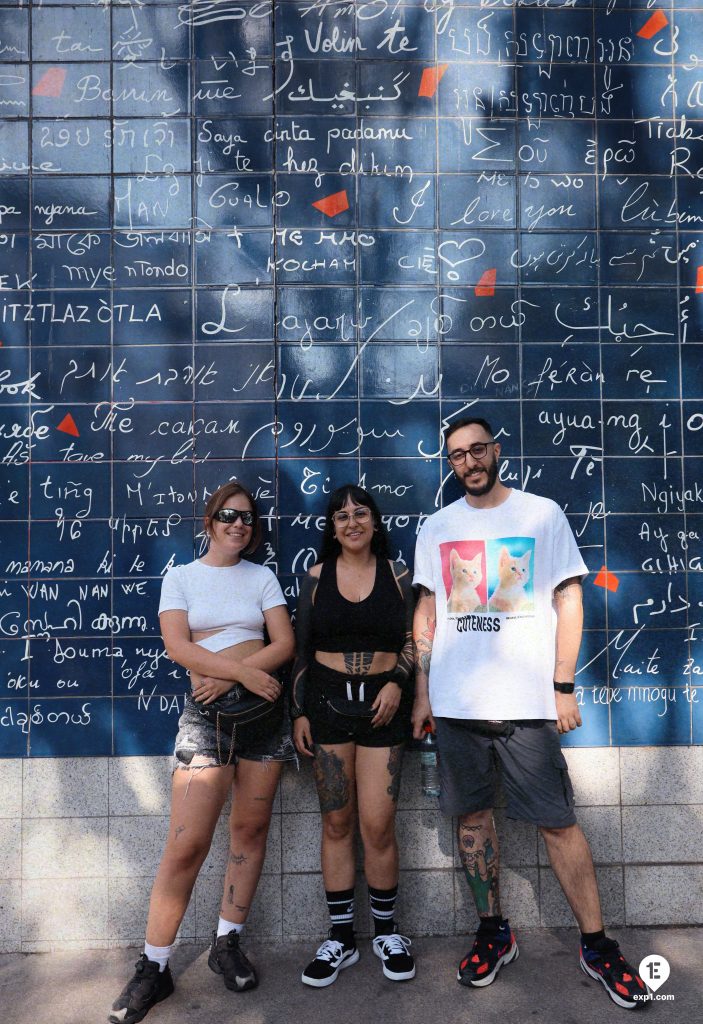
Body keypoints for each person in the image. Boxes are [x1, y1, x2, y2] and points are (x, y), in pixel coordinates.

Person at [411, 417, 649, 1010]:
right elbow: (427, 613)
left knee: (558, 823)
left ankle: (597, 945)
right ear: (450, 464)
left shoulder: (541, 515)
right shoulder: (436, 528)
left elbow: (570, 598)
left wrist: (563, 684)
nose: (468, 461)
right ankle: (494, 933)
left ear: (497, 450)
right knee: (471, 821)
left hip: (528, 707)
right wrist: (422, 693)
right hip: (456, 706)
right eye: (456, 455)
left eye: (477, 449)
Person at [109, 482, 295, 1024]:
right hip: (209, 721)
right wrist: (239, 670)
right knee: (186, 845)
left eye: (248, 519)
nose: (240, 525)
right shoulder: (181, 577)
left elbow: (284, 643)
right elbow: (177, 646)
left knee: (250, 833)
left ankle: (227, 943)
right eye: (229, 516)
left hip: (264, 719)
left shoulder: (262, 577)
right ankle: (155, 966)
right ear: (210, 521)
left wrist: (239, 671)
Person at [291, 484, 416, 987]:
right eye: (341, 516)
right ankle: (341, 937)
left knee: (378, 825)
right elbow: (300, 650)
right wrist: (298, 712)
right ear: (332, 527)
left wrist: (398, 681)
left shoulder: (399, 575)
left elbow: (414, 638)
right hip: (326, 707)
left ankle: (387, 932)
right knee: (337, 823)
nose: (351, 522)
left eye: (360, 513)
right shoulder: (316, 578)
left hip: (386, 710)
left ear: (374, 521)